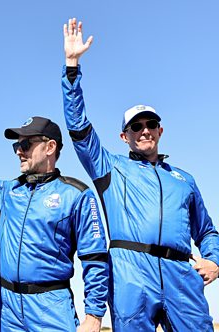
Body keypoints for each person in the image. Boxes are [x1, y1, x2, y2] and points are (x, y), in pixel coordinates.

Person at [62, 18, 219, 331]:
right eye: (136, 126)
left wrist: (214, 259)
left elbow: (206, 230)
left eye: (150, 125)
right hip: (130, 276)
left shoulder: (183, 179)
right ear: (124, 136)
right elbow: (78, 127)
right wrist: (72, 66)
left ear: (160, 130)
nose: (144, 130)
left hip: (181, 277)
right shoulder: (109, 167)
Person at [0, 96, 109, 332]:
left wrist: (94, 314)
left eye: (26, 145)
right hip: (5, 308)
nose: (19, 151)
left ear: (50, 147)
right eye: (16, 146)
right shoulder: (6, 193)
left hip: (51, 308)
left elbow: (95, 258)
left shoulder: (77, 195)